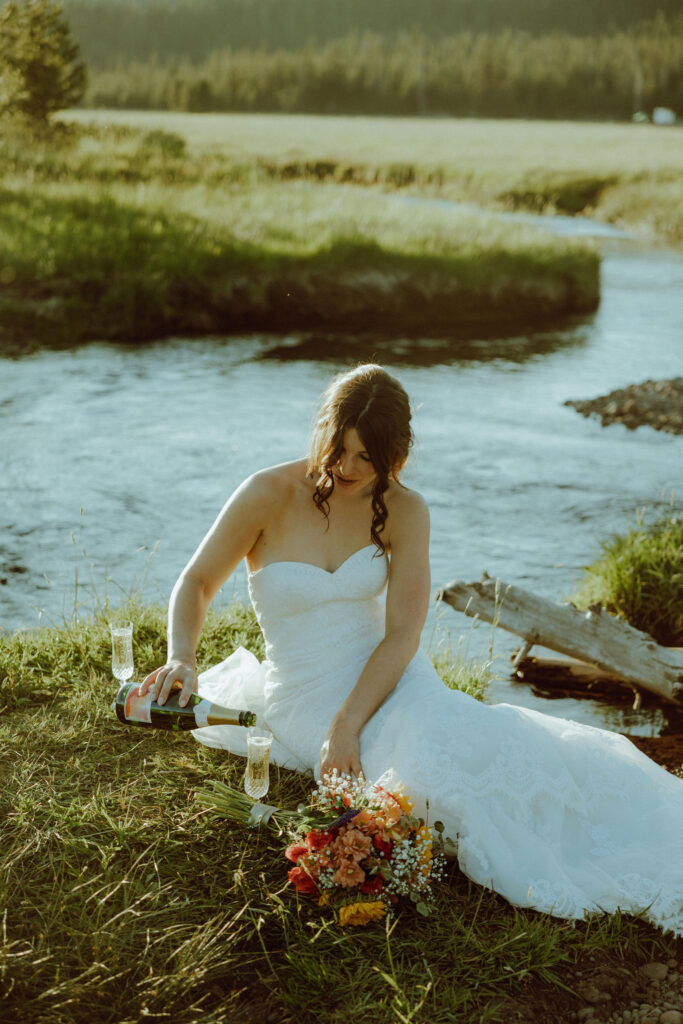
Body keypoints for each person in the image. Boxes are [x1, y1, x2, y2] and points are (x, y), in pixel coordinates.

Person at [140, 363, 683, 938]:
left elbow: (402, 634)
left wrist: (348, 724)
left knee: (466, 740)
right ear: (324, 430)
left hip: (391, 675)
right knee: (419, 776)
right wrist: (183, 656)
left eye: (366, 459)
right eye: (339, 450)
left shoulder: (406, 509)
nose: (347, 469)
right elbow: (196, 582)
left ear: (394, 457)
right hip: (303, 692)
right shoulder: (266, 494)